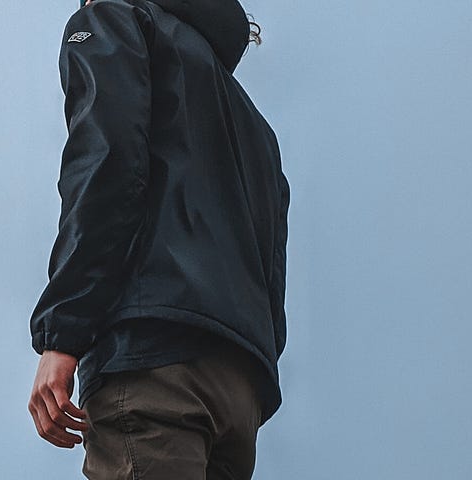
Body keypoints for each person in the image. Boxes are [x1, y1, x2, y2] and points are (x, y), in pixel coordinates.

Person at [26, 0, 290, 477]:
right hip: (240, 389)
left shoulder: (110, 21)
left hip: (152, 361)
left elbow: (107, 166)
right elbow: (272, 268)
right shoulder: (255, 126)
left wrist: (62, 334)